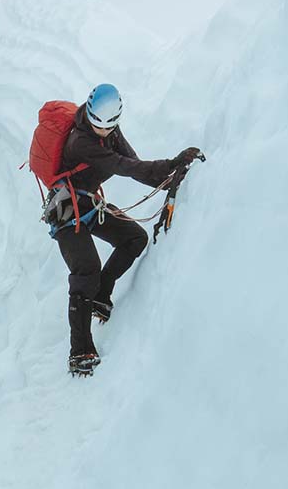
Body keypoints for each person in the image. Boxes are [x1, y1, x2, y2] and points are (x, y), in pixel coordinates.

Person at [49, 83, 201, 375]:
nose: (102, 132)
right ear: (90, 115)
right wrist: (170, 165)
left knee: (134, 238)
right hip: (66, 213)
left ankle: (101, 295)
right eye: (97, 125)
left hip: (89, 205)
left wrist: (170, 179)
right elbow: (123, 166)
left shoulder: (110, 132)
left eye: (107, 127)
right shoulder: (82, 141)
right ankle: (79, 351)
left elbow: (133, 162)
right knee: (86, 270)